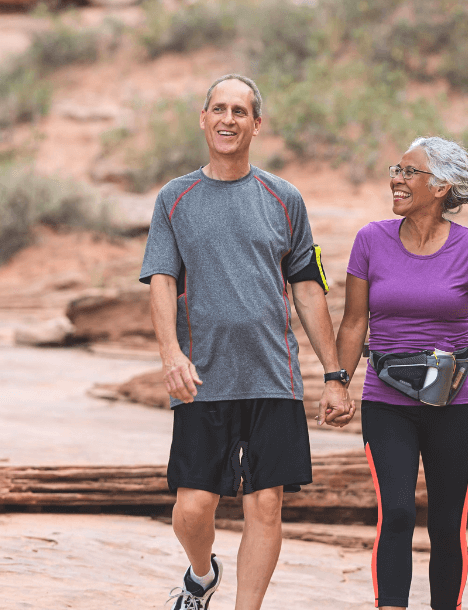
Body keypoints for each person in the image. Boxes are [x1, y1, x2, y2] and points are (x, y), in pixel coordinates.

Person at [139, 74, 353, 610]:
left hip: (272, 377)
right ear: (204, 118)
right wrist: (171, 354)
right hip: (203, 378)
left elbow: (308, 289)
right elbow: (162, 280)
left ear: (257, 124)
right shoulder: (175, 197)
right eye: (218, 109)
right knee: (192, 510)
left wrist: (333, 376)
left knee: (266, 506)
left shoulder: (284, 198)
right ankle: (200, 574)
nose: (228, 119)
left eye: (240, 111)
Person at [335, 136, 468, 610]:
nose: (396, 179)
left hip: (453, 403)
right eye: (395, 169)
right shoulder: (370, 240)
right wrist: (336, 382)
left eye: (408, 172)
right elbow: (355, 322)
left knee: (446, 524)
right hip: (386, 400)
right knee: (395, 513)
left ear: (440, 187)